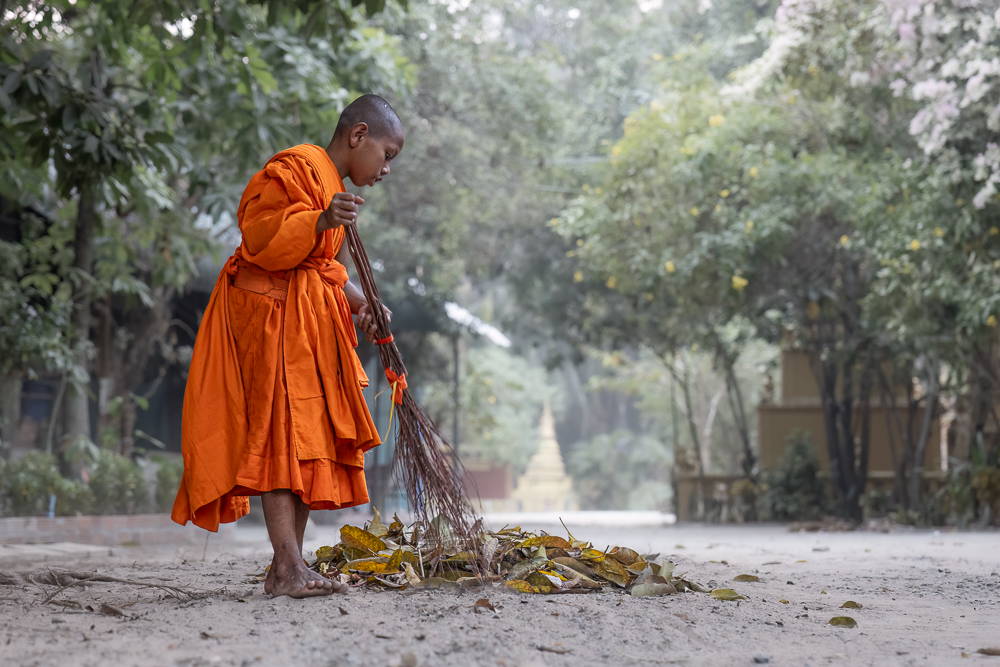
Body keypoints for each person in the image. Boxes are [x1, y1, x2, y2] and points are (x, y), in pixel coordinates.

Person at [171, 94, 404, 598]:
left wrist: (364, 303)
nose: (387, 169)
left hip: (304, 324)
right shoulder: (297, 167)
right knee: (280, 435)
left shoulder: (332, 187)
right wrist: (318, 221)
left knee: (305, 440)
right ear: (358, 135)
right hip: (268, 316)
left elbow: (320, 268)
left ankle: (286, 570)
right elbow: (260, 238)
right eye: (387, 154)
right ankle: (288, 566)